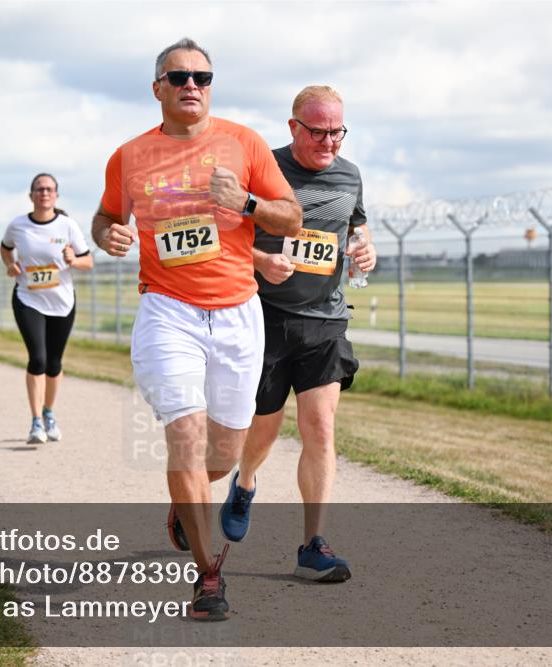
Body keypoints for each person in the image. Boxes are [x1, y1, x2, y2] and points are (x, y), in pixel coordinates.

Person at [92, 38, 301, 620]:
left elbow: (291, 216)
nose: (192, 85)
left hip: (238, 311)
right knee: (184, 435)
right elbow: (107, 214)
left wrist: (250, 203)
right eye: (178, 76)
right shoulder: (129, 156)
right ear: (157, 86)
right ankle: (208, 576)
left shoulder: (244, 143)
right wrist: (105, 232)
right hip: (168, 309)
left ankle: (186, 507)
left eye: (202, 77)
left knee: (221, 453)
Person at [221, 85, 376, 583]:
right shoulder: (263, 168)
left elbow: (356, 228)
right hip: (262, 315)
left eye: (337, 132)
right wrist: (262, 260)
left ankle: (314, 543)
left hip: (325, 319)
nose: (330, 142)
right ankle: (244, 483)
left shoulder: (349, 175)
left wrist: (364, 249)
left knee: (320, 425)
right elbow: (221, 243)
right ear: (294, 128)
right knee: (262, 427)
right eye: (319, 132)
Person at [1, 174, 93, 442]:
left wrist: (73, 259)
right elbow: (5, 248)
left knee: (54, 364)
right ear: (31, 195)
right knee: (38, 359)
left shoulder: (67, 226)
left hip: (62, 302)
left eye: (49, 189)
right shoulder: (18, 225)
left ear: (56, 195)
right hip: (28, 299)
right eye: (39, 189)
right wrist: (10, 264)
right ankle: (36, 422)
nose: (44, 193)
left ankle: (49, 412)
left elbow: (88, 262)